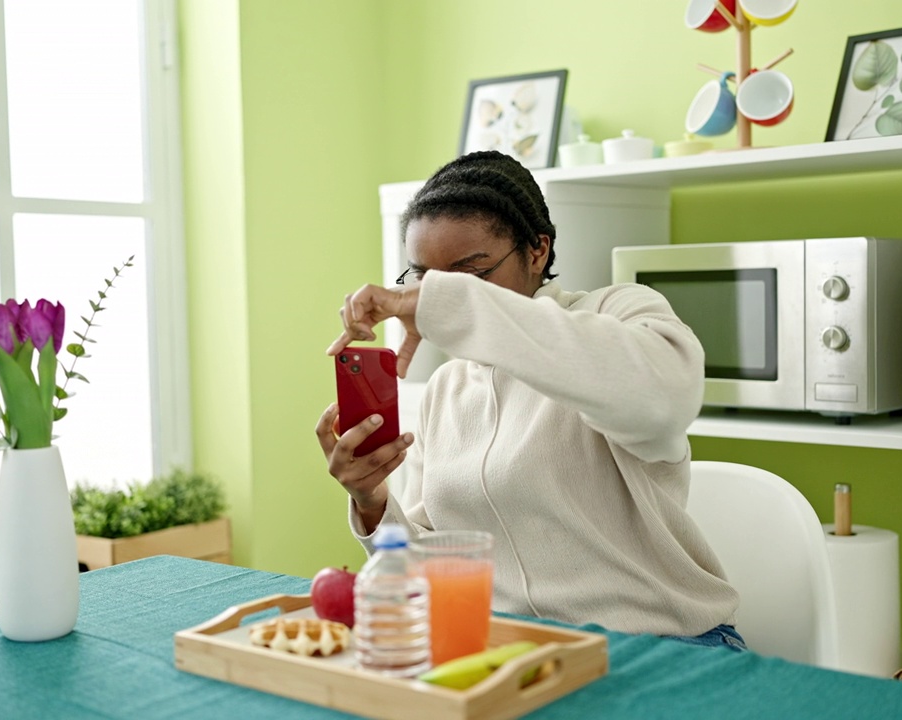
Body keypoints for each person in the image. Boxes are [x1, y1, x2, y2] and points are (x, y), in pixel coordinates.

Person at [314, 150, 744, 650]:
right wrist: (372, 502)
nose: (439, 299)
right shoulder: (447, 390)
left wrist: (450, 306)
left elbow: (663, 397)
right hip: (516, 653)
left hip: (663, 647)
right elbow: (430, 572)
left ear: (537, 250)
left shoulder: (618, 313)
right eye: (424, 281)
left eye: (469, 277)